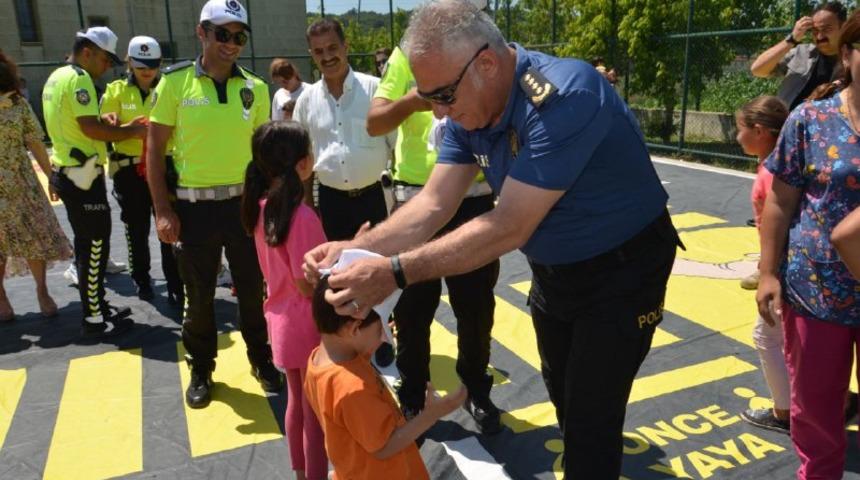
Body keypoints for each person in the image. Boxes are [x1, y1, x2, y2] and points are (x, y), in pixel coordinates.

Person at [303, 1, 680, 477]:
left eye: (442, 94)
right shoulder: (468, 109)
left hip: (622, 273)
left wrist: (395, 271)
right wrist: (358, 248)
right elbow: (431, 205)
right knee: (567, 400)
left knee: (590, 421)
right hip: (556, 273)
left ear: (486, 63)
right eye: (429, 96)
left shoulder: (565, 94)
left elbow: (508, 225)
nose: (438, 111)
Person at [147, 0, 283, 409]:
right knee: (199, 297)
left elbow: (265, 154)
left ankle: (262, 361)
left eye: (238, 36)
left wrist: (271, 204)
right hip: (194, 210)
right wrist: (163, 210)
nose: (231, 44)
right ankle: (201, 369)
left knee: (252, 291)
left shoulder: (256, 88)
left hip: (243, 207)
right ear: (202, 32)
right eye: (222, 34)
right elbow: (153, 150)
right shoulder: (173, 84)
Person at [367, 42, 501, 434]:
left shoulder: (478, 48)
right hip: (417, 204)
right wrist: (414, 100)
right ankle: (412, 397)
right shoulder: (404, 55)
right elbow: (375, 123)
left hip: (473, 199)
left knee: (476, 309)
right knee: (411, 313)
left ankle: (476, 388)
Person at [757, 11, 860, 478]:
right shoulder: (811, 120)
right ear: (849, 55)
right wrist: (768, 272)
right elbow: (779, 200)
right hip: (817, 292)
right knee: (817, 412)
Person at [304, 275, 466, 480]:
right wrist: (432, 414)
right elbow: (385, 446)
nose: (384, 337)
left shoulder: (320, 359)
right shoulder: (353, 389)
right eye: (380, 327)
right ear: (353, 329)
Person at [43, 26, 146, 338]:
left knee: (87, 242)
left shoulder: (56, 77)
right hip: (82, 174)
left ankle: (96, 304)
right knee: (96, 244)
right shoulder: (78, 80)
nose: (107, 67)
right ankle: (94, 317)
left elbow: (77, 124)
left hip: (70, 169)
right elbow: (89, 129)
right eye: (105, 59)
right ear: (88, 52)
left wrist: (107, 122)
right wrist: (131, 131)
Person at [241, 121, 327, 480]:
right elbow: (307, 284)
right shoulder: (302, 216)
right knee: (315, 415)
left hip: (279, 317)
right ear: (304, 163)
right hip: (307, 322)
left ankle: (300, 472)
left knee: (296, 402)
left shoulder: (260, 208)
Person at [292, 18, 395, 242]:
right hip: (331, 203)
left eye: (332, 48)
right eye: (319, 51)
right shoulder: (305, 102)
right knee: (338, 272)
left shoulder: (376, 90)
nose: (327, 57)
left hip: (376, 199)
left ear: (345, 46)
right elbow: (302, 157)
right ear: (312, 54)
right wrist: (307, 203)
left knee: (378, 270)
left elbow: (398, 148)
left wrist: (399, 200)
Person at [100, 35, 183, 305]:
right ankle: (142, 279)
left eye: (152, 64)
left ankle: (175, 283)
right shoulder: (116, 91)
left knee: (170, 226)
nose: (147, 71)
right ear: (129, 63)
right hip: (129, 171)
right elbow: (105, 129)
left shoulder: (171, 88)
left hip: (164, 166)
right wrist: (121, 127)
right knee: (135, 229)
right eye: (140, 65)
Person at [732, 96, 791, 433]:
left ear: (759, 131)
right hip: (792, 268)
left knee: (767, 337)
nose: (737, 137)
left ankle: (785, 413)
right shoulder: (783, 162)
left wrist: (770, 271)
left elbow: (779, 224)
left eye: (741, 130)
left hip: (785, 271)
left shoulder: (772, 172)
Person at [0, 51, 72, 322]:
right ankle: (1, 297)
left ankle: (42, 291)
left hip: (21, 183)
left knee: (34, 237)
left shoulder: (18, 104)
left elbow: (35, 142)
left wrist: (52, 177)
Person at [750, 1, 847, 110]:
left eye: (826, 29)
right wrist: (792, 39)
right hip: (787, 123)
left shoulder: (854, 61)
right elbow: (757, 69)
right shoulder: (802, 53)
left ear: (843, 28)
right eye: (815, 31)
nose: (820, 36)